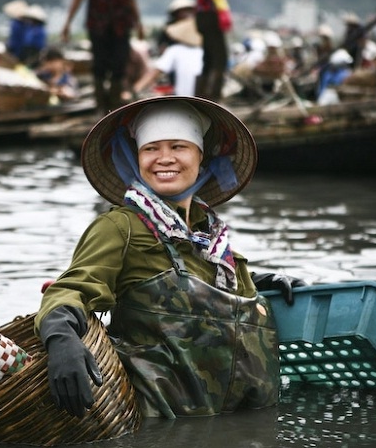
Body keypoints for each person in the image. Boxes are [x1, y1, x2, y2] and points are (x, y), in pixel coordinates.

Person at [35, 95, 306, 419]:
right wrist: (61, 337)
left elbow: (208, 291)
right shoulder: (120, 226)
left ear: (201, 159)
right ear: (137, 159)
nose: (164, 158)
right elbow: (71, 288)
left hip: (243, 427)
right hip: (164, 427)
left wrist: (263, 282)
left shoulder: (213, 239)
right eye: (151, 149)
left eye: (178, 147)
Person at [60, 0, 144, 115]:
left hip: (121, 25)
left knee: (119, 65)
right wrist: (68, 22)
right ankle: (101, 108)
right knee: (99, 67)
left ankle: (113, 108)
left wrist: (139, 24)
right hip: (98, 25)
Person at [132, 17, 203, 97]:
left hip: (183, 99)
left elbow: (155, 72)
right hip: (202, 99)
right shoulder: (203, 51)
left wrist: (135, 89)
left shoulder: (175, 50)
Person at [195, 0, 232, 102]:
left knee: (209, 59)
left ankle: (202, 95)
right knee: (220, 60)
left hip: (202, 16)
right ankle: (213, 97)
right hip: (212, 16)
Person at [5, 1, 47, 68]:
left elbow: (32, 45)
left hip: (31, 54)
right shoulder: (30, 28)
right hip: (25, 52)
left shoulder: (37, 30)